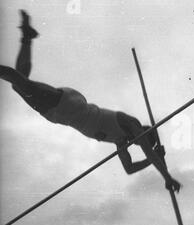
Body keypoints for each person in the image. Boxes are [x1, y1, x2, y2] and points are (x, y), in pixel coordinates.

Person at [0, 10, 181, 193]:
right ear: (144, 131)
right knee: (20, 82)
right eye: (141, 141)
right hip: (68, 105)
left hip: (59, 115)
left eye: (138, 144)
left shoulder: (120, 141)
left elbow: (129, 168)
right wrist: (166, 176)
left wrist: (151, 160)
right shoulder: (131, 123)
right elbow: (149, 152)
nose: (137, 143)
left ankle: (27, 37)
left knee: (19, 83)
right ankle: (27, 37)